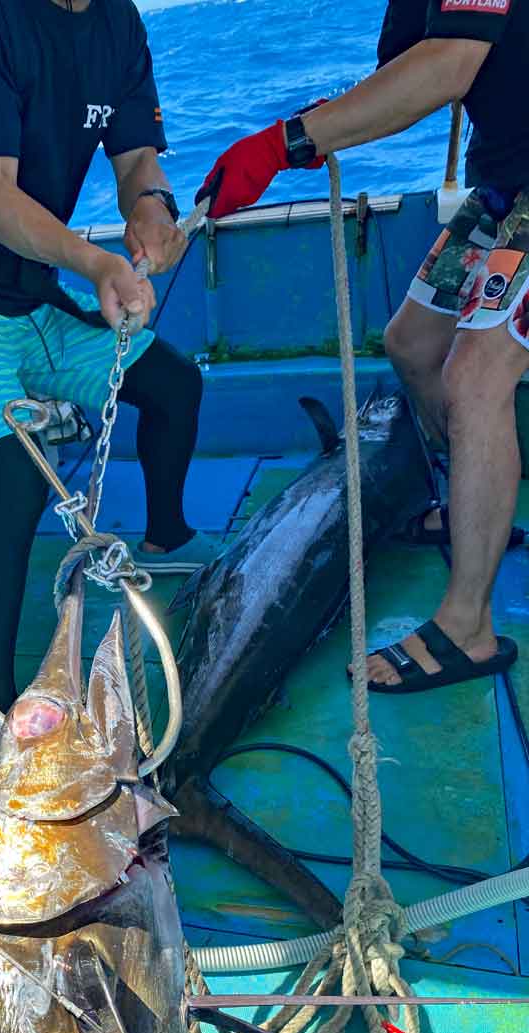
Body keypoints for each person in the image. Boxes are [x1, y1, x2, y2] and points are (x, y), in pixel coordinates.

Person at [0, 0, 204, 765]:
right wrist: (97, 263)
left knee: (174, 384)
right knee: (17, 482)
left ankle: (165, 541)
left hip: (32, 293)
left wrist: (151, 211)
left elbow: (135, 160)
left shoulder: (118, 22)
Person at [198, 0, 528, 695]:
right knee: (411, 343)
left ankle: (467, 622)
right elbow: (405, 68)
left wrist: (285, 142)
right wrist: (327, 122)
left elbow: (449, 67)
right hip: (505, 188)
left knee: (476, 379)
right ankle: (472, 502)